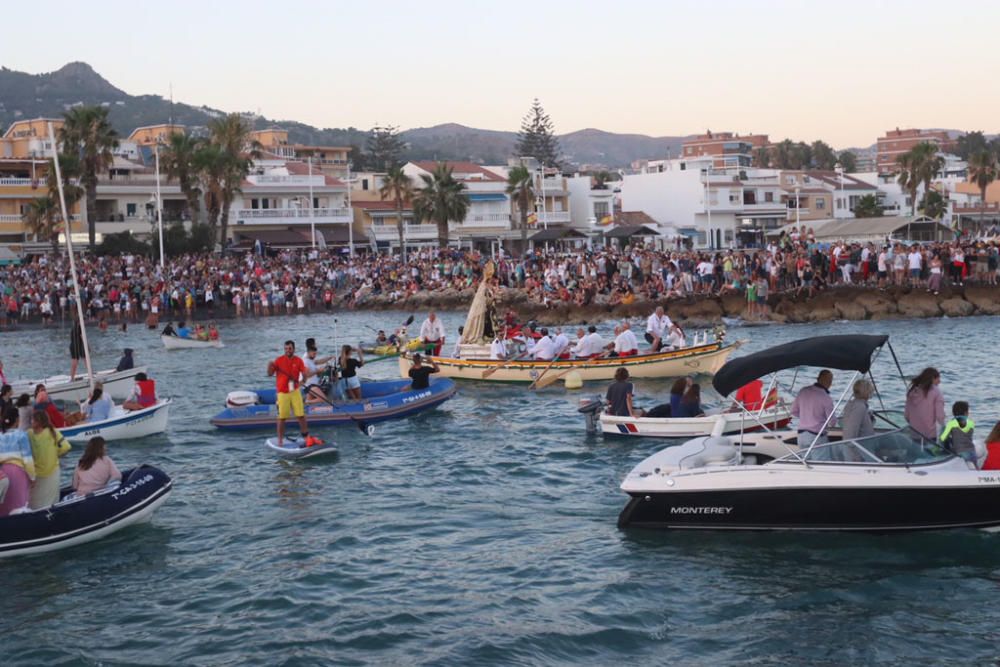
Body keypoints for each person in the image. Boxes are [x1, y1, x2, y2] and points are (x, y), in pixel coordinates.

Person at [267, 340, 314, 448]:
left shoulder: (298, 360)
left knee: (301, 415)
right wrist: (269, 365)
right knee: (282, 417)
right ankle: (280, 440)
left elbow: (304, 373)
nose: (288, 351)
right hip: (282, 392)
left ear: (294, 349)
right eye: (286, 349)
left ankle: (306, 436)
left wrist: (303, 381)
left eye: (290, 348)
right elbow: (270, 374)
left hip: (295, 391)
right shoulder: (278, 360)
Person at [28, 410, 71, 509]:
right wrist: (56, 455)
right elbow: (66, 447)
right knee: (51, 499)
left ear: (38, 421)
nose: (31, 421)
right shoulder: (53, 431)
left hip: (37, 473)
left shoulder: (29, 434)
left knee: (35, 500)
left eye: (32, 420)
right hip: (52, 470)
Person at [791, 369, 834, 448]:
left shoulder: (803, 391)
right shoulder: (826, 397)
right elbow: (832, 422)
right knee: (821, 460)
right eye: (830, 381)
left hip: (801, 436)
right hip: (816, 437)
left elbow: (793, 411)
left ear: (818, 379)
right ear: (829, 382)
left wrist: (807, 417)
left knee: (805, 460)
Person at [0, 420, 35, 516]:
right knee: (18, 506)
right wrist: (32, 477)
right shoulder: (21, 435)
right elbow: (28, 459)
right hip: (18, 472)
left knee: (4, 505)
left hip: (3, 472)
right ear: (16, 421)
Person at [904, 367, 946, 441]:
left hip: (914, 433)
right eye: (938, 379)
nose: (940, 381)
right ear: (933, 378)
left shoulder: (912, 391)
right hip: (929, 435)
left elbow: (906, 416)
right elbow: (940, 417)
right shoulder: (936, 392)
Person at [940, 401, 976, 465]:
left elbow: (943, 438)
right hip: (972, 452)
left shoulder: (951, 423)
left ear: (953, 413)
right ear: (966, 413)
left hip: (960, 453)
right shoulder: (971, 423)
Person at [70, 314, 85, 381]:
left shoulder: (74, 327)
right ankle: (91, 374)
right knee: (83, 359)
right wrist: (87, 345)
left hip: (73, 345)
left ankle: (72, 377)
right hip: (77, 346)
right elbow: (82, 337)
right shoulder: (79, 327)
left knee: (76, 361)